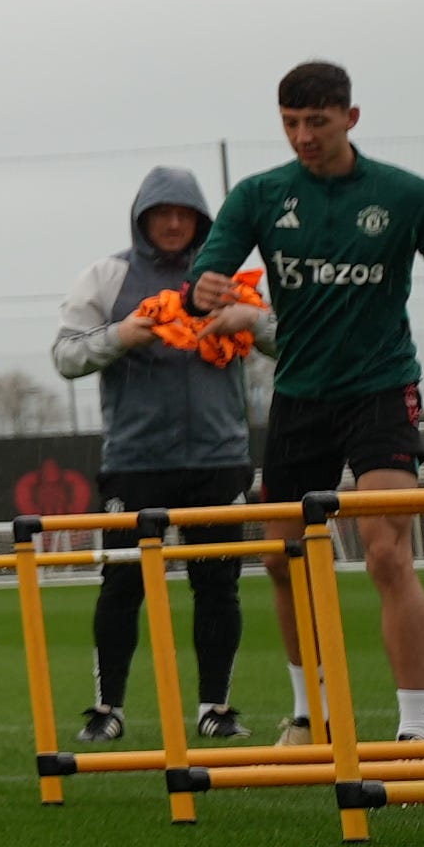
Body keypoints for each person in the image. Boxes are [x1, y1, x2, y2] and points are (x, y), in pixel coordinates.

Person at [191, 62, 424, 747]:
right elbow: (205, 273)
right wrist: (205, 289)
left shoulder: (405, 196)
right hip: (299, 396)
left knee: (386, 552)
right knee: (283, 558)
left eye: (317, 121)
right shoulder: (260, 194)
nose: (303, 136)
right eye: (290, 123)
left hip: (381, 391)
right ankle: (312, 716)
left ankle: (415, 732)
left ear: (350, 118)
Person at [50, 166, 263, 744]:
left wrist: (250, 319)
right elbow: (65, 357)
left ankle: (215, 709)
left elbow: (284, 341)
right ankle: (107, 710)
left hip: (219, 460)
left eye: (183, 213)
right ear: (141, 219)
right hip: (136, 462)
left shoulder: (227, 278)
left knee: (217, 587)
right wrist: (122, 334)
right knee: (122, 585)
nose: (172, 223)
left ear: (201, 219)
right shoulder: (107, 276)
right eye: (161, 213)